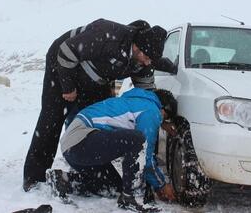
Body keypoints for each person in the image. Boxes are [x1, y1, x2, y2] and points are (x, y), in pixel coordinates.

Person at [23, 18, 168, 191]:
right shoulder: (108, 35)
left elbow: (146, 97)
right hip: (63, 65)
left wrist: (159, 116)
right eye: (146, 57)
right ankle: (34, 176)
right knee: (52, 117)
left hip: (96, 78)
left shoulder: (144, 61)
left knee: (100, 121)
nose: (147, 63)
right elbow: (66, 52)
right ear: (137, 46)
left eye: (151, 60)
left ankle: (94, 172)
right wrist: (68, 87)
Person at [47, 88, 177, 212]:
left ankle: (64, 180)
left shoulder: (136, 102)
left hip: (73, 147)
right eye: (165, 118)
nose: (161, 122)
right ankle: (132, 197)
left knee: (113, 187)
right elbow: (146, 154)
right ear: (164, 109)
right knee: (138, 139)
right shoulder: (152, 110)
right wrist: (161, 185)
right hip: (81, 140)